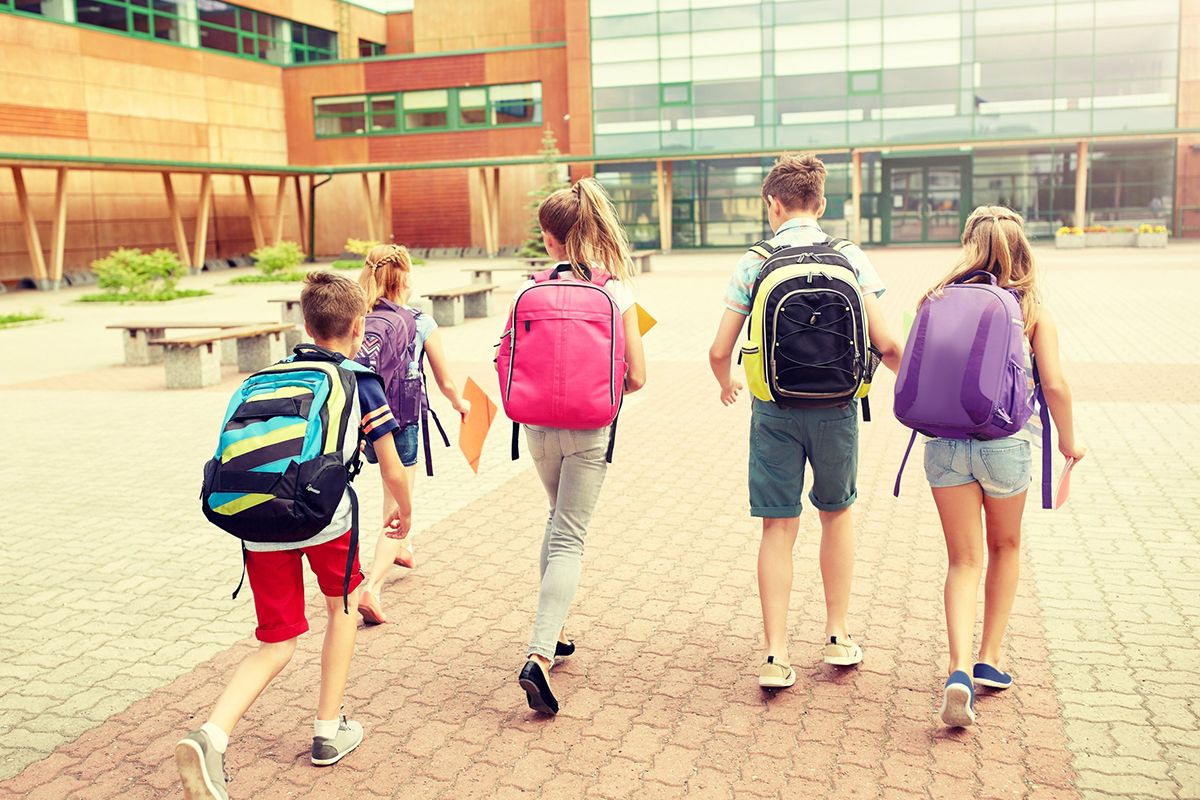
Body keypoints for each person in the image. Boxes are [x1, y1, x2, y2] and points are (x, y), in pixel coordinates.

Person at [176, 271, 413, 800]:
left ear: (305, 325)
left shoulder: (265, 378)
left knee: (277, 641)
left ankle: (210, 736)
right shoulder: (359, 379)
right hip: (325, 520)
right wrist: (405, 512)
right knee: (343, 608)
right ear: (359, 327)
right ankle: (328, 731)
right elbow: (392, 467)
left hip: (258, 520)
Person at [708, 153, 903, 690]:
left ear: (773, 203)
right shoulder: (850, 257)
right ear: (821, 203)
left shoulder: (755, 261)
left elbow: (719, 349)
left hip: (775, 410)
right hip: (837, 408)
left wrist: (726, 381)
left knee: (778, 525)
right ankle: (837, 634)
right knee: (836, 515)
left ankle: (775, 654)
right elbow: (887, 344)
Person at [919, 207, 1085, 726]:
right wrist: (1070, 443)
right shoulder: (1032, 310)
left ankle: (957, 670)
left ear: (969, 245)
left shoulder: (935, 298)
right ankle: (989, 658)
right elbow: (1054, 385)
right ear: (1022, 249)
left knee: (962, 561)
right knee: (1005, 548)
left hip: (945, 446)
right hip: (1006, 447)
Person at [511, 178, 646, 714]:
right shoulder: (615, 291)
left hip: (536, 426)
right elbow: (638, 376)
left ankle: (558, 630)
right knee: (569, 535)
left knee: (555, 519)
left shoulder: (528, 289)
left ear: (550, 238)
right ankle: (540, 654)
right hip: (590, 428)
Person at [353, 244, 470, 625]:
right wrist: (461, 404)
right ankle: (373, 588)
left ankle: (402, 548)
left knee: (387, 493)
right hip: (401, 422)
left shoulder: (356, 319)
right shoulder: (420, 321)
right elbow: (446, 382)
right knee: (398, 505)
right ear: (404, 279)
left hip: (362, 423)